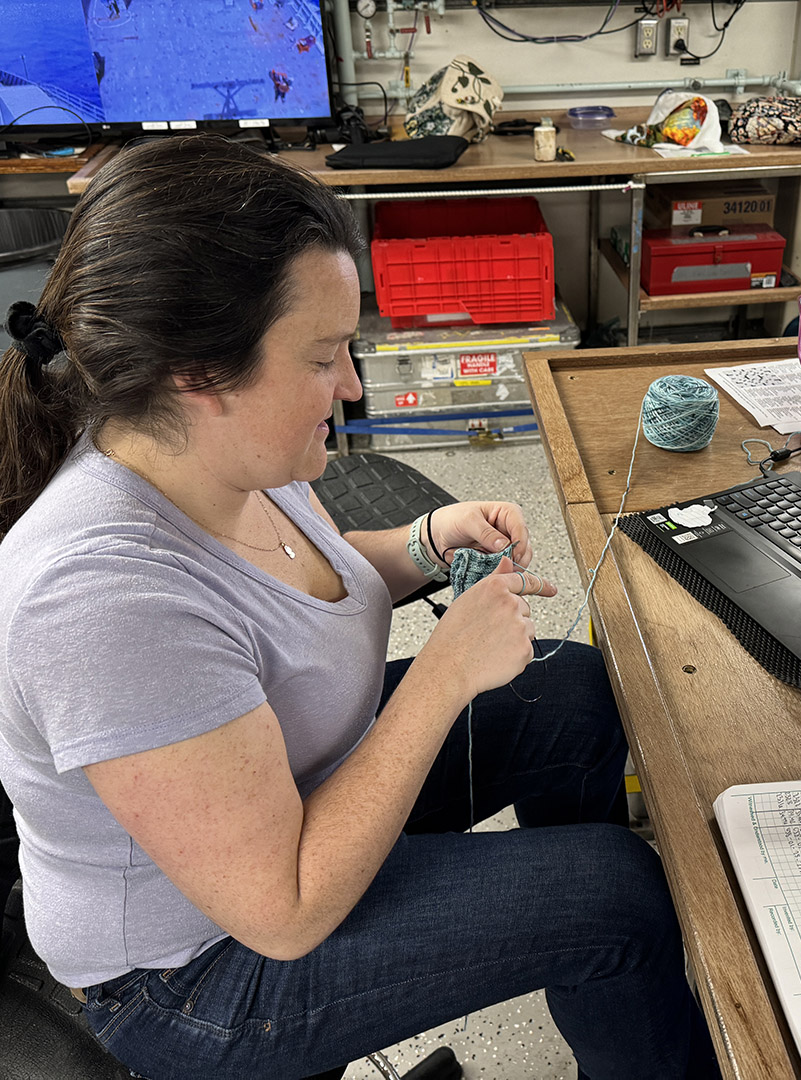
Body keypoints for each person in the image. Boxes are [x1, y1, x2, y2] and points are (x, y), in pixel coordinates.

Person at [0, 134, 720, 1080]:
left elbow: (306, 582)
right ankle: (602, 944)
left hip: (294, 790)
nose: (351, 384)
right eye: (324, 356)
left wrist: (424, 544)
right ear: (199, 374)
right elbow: (283, 910)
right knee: (620, 895)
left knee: (573, 688)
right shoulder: (102, 599)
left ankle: (584, 968)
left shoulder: (226, 453)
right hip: (204, 970)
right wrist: (447, 675)